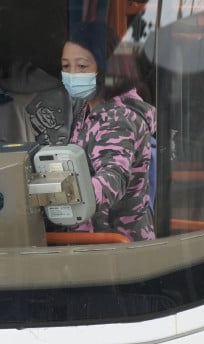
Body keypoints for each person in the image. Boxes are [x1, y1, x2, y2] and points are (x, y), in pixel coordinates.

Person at [61, 21, 155, 241]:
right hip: (98, 244)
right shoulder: (87, 108)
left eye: (82, 66)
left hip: (117, 249)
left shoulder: (117, 118)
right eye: (66, 66)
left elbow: (113, 176)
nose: (72, 74)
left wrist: (60, 195)